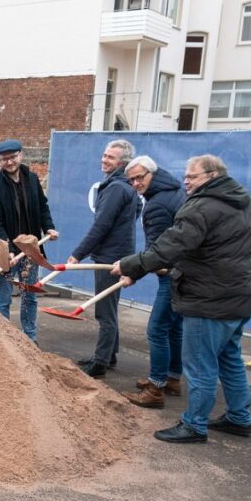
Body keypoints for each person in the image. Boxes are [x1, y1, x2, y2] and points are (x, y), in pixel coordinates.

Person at [114, 154, 251, 443]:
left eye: (192, 176)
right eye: (186, 176)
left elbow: (169, 247)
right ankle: (239, 418)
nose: (186, 181)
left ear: (213, 176)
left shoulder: (201, 207)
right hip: (239, 297)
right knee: (230, 358)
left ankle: (194, 425)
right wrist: (243, 270)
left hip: (207, 301)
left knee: (201, 365)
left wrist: (129, 266)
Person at [68, 139, 142, 377]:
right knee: (110, 306)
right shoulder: (126, 186)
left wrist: (77, 254)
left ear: (122, 163)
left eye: (110, 157)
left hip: (111, 257)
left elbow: (101, 225)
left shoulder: (116, 188)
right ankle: (109, 355)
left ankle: (100, 363)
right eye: (104, 155)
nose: (104, 159)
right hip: (119, 253)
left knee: (105, 311)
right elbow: (135, 213)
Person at [118, 156, 186, 408]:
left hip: (173, 274)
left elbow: (156, 251)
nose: (136, 183)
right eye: (131, 180)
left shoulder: (157, 204)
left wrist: (132, 272)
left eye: (140, 177)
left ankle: (156, 388)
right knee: (174, 328)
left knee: (157, 329)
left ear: (152, 174)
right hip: (184, 272)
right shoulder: (174, 191)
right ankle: (172, 378)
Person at [0, 139, 58, 341]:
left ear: (21, 155)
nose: (9, 162)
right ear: (0, 160)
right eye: (4, 159)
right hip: (7, 253)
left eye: (13, 157)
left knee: (29, 296)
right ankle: (4, 342)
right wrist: (6, 248)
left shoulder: (32, 179)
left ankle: (29, 340)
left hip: (31, 250)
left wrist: (49, 227)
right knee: (3, 299)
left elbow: (42, 207)